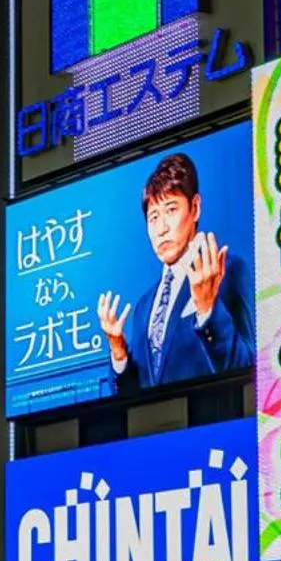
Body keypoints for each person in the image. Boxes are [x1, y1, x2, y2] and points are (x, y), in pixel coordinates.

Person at [96, 152, 254, 391]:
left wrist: (207, 311)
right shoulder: (143, 308)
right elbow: (130, 399)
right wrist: (118, 351)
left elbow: (250, 370)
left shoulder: (227, 271)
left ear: (195, 208)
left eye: (171, 210)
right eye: (153, 217)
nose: (161, 228)